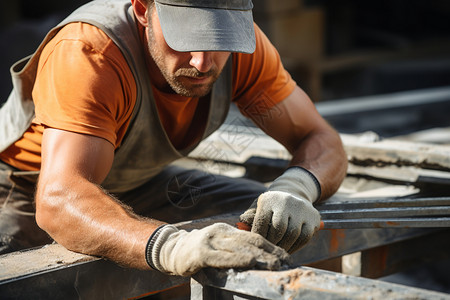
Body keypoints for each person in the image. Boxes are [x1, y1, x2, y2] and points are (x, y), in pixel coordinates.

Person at [0, 0, 347, 276]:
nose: (201, 63)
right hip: (26, 191)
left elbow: (320, 137)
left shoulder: (244, 48)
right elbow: (60, 199)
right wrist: (173, 248)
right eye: (186, 38)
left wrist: (296, 188)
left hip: (140, 182)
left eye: (218, 41)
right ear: (143, 10)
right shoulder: (90, 52)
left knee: (283, 233)